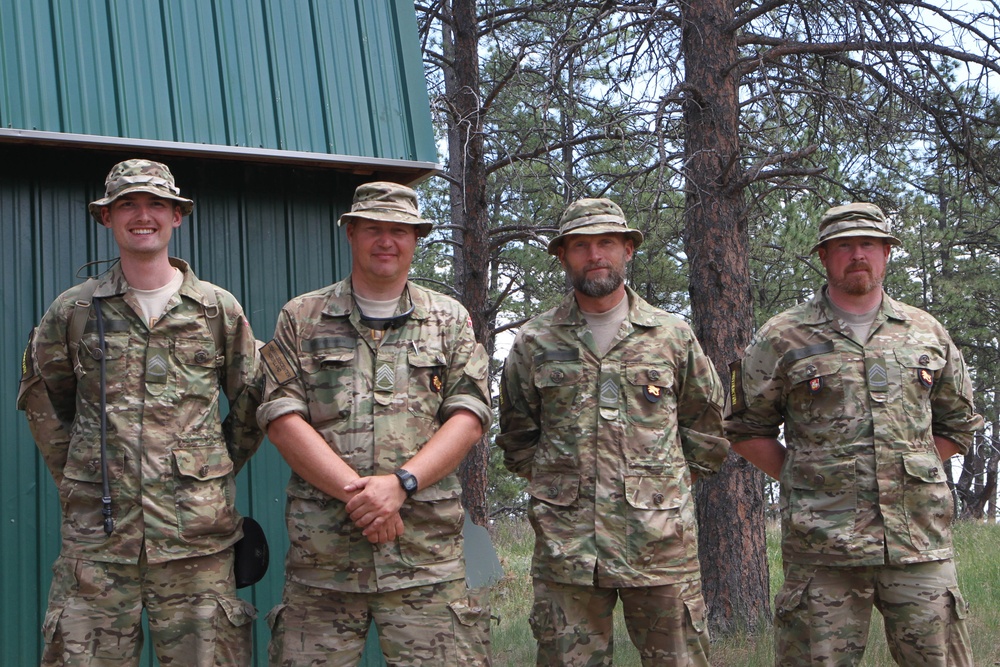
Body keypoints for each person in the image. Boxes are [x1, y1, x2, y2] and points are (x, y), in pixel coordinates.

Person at [17, 158, 264, 666]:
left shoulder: (218, 310)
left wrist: (204, 473)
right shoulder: (75, 311)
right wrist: (78, 477)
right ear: (106, 218)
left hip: (197, 545)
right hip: (99, 546)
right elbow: (44, 400)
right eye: (127, 204)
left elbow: (251, 402)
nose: (142, 215)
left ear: (178, 216)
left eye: (156, 203)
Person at [725, 202, 981, 666]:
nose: (857, 255)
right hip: (823, 547)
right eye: (844, 246)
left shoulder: (926, 333)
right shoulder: (782, 336)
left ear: (886, 253)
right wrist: (806, 477)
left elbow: (958, 424)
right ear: (824, 256)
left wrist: (912, 467)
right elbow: (745, 429)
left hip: (918, 543)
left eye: (868, 244)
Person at [259, 181, 493, 666]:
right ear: (351, 234)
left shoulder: (448, 320)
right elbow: (282, 418)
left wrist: (402, 484)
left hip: (425, 558)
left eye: (398, 231)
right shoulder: (302, 317)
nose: (386, 240)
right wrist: (360, 494)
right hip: (323, 560)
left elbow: (469, 415)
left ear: (415, 239)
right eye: (372, 229)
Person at [497, 198, 730, 666]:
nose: (595, 255)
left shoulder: (670, 335)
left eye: (606, 242)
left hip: (660, 544)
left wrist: (665, 490)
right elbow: (518, 434)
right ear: (563, 256)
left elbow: (708, 426)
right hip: (568, 548)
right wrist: (563, 490)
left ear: (628, 250)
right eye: (580, 245)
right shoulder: (535, 340)